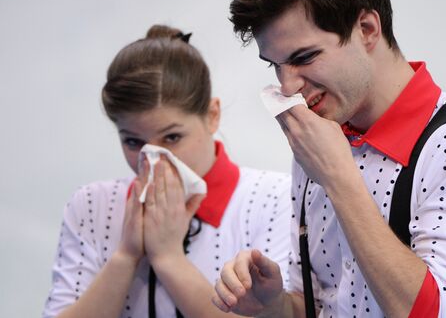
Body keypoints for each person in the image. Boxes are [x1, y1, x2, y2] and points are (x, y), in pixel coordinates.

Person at [212, 0, 446, 318]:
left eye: (304, 57)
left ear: (367, 30)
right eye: (275, 65)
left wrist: (339, 179)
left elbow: (439, 312)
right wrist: (274, 303)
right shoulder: (321, 144)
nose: (288, 85)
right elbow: (326, 304)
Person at [42, 25, 292, 318]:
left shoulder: (274, 196)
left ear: (212, 116)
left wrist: (168, 258)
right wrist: (125, 257)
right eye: (133, 142)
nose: (154, 160)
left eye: (172, 138)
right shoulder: (90, 205)